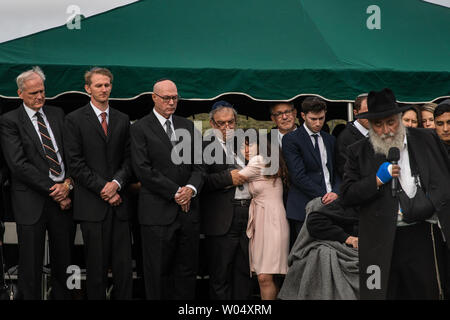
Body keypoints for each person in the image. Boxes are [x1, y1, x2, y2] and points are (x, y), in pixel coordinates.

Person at [341, 88, 450, 300]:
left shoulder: (427, 139)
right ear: (370, 125)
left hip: (422, 235)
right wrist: (376, 180)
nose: (386, 130)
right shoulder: (358, 151)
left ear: (400, 119)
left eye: (390, 122)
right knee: (380, 293)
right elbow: (347, 196)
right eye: (378, 125)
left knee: (426, 293)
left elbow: (445, 175)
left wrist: (432, 201)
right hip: (379, 241)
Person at [0, 67, 74, 299]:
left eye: (41, 91)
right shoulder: (9, 121)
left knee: (65, 260)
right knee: (30, 264)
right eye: (33, 93)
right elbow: (18, 164)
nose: (39, 97)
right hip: (31, 201)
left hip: (64, 199)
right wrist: (56, 190)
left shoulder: (57, 114)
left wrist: (69, 184)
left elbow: (72, 154)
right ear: (20, 93)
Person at [130, 79, 203, 300]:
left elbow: (200, 165)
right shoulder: (139, 128)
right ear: (154, 98)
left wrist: (190, 188)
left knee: (187, 272)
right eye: (166, 98)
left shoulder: (187, 125)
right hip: (157, 214)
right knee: (157, 273)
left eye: (175, 98)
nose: (172, 102)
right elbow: (143, 169)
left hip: (187, 213)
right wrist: (177, 193)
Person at [64, 67, 133, 300]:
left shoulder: (123, 119)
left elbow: (129, 160)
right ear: (87, 89)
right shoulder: (73, 120)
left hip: (120, 205)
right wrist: (104, 188)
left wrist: (116, 183)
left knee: (124, 270)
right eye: (98, 85)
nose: (104, 89)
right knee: (96, 271)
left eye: (107, 85)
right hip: (92, 206)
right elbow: (75, 163)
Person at [200, 100, 252, 300]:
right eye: (221, 123)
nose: (227, 127)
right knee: (220, 273)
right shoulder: (203, 146)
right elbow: (199, 180)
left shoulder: (245, 144)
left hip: (249, 215)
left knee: (244, 271)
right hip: (221, 217)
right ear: (212, 124)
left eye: (231, 122)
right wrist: (227, 179)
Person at [282, 97, 341, 248]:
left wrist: (335, 192)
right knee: (304, 255)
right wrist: (325, 196)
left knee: (331, 252)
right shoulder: (291, 139)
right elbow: (298, 176)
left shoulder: (330, 139)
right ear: (303, 116)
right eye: (313, 119)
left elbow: (337, 171)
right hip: (304, 206)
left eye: (321, 118)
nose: (318, 123)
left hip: (333, 204)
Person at [237, 132, 290, 300]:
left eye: (249, 145)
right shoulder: (265, 161)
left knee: (264, 276)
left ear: (261, 146)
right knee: (264, 276)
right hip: (262, 219)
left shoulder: (258, 161)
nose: (245, 149)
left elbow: (234, 178)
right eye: (242, 145)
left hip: (271, 220)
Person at [278, 197, 359, 300]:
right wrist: (348, 238)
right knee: (322, 254)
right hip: (349, 251)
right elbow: (315, 220)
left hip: (373, 257)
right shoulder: (348, 204)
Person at [336, 94, 369, 177]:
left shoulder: (379, 133)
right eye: (367, 112)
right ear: (355, 113)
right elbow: (346, 171)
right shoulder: (345, 138)